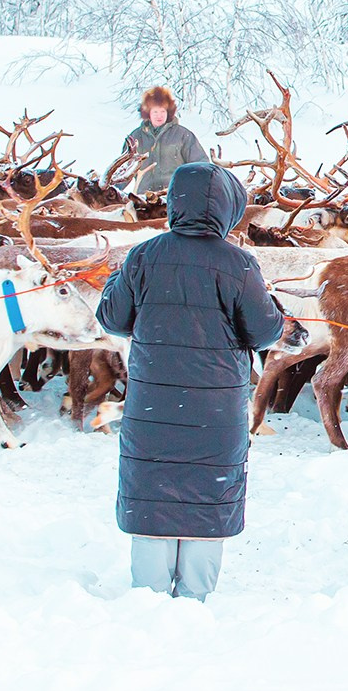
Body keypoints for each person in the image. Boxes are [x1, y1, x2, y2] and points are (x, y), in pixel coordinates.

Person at [94, 160, 286, 600]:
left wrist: (114, 281)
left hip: (153, 404)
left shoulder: (144, 254)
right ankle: (196, 599)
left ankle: (148, 596)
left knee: (153, 488)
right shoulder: (238, 263)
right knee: (206, 490)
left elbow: (113, 318)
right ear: (228, 208)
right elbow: (265, 330)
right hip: (214, 408)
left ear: (174, 202)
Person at [118, 85, 208, 195]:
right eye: (155, 112)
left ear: (168, 112)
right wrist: (109, 190)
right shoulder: (136, 138)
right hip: (143, 200)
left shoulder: (183, 135)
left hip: (173, 198)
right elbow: (123, 171)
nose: (159, 116)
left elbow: (201, 165)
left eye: (163, 111)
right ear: (148, 113)